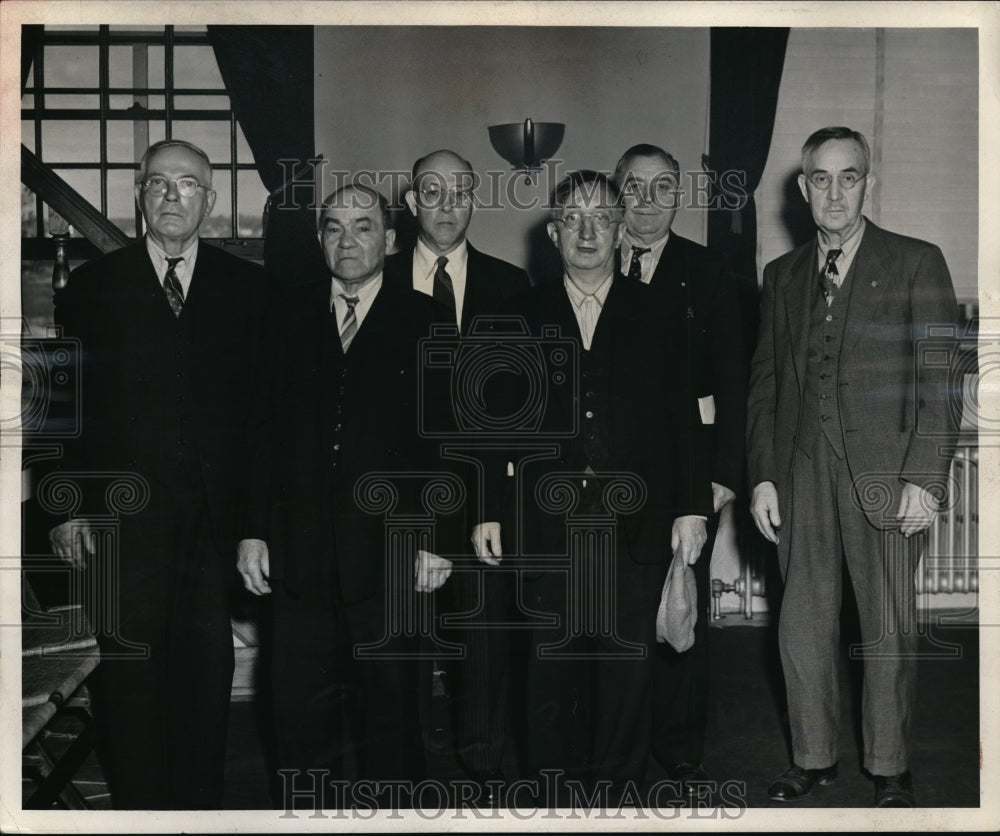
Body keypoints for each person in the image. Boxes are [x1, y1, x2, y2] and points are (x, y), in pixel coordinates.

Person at [48, 139, 269, 809]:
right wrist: (67, 507)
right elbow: (66, 404)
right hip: (121, 523)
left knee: (205, 674)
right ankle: (139, 811)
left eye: (189, 184)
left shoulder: (249, 290)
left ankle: (198, 811)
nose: (174, 195)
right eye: (159, 184)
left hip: (214, 525)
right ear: (140, 196)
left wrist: (256, 527)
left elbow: (265, 420)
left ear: (211, 199)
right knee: (130, 681)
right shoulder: (93, 288)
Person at [478, 171, 711, 805]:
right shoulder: (519, 313)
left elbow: (683, 421)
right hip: (543, 528)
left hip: (634, 530)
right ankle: (554, 802)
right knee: (548, 676)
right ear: (554, 233)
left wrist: (692, 509)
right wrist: (489, 512)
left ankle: (617, 804)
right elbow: (493, 425)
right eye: (574, 219)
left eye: (602, 218)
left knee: (625, 678)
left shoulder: (660, 311)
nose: (588, 231)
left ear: (619, 229)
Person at [746, 126, 959, 807]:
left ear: (868, 182)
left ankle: (890, 766)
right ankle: (812, 758)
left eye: (849, 176)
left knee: (886, 626)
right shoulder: (780, 277)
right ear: (802, 186)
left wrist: (925, 479)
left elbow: (940, 382)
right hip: (801, 470)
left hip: (888, 474)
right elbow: (765, 386)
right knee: (801, 626)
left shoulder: (917, 262)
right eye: (821, 178)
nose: (834, 192)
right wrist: (762, 477)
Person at [237, 184, 452, 809]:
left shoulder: (426, 320)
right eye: (333, 228)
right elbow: (260, 432)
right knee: (300, 719)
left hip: (392, 556)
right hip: (300, 556)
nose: (347, 240)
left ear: (389, 240)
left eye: (363, 227)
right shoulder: (285, 315)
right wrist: (252, 530)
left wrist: (436, 541)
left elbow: (446, 443)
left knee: (394, 718)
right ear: (320, 240)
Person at [384, 149, 531, 793]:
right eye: (431, 191)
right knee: (401, 642)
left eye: (460, 191)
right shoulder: (375, 279)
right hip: (395, 496)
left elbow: (522, 406)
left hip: (481, 497)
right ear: (411, 202)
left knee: (484, 638)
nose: (446, 204)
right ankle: (403, 771)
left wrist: (494, 500)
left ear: (476, 199)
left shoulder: (511, 286)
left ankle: (483, 763)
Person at [614, 143, 747, 794]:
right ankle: (617, 745)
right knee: (611, 611)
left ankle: (680, 750)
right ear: (617, 194)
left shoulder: (710, 271)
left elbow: (734, 380)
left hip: (685, 474)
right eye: (634, 188)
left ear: (678, 196)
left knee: (678, 612)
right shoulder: (591, 262)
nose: (646, 201)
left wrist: (722, 475)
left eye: (661, 187)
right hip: (605, 476)